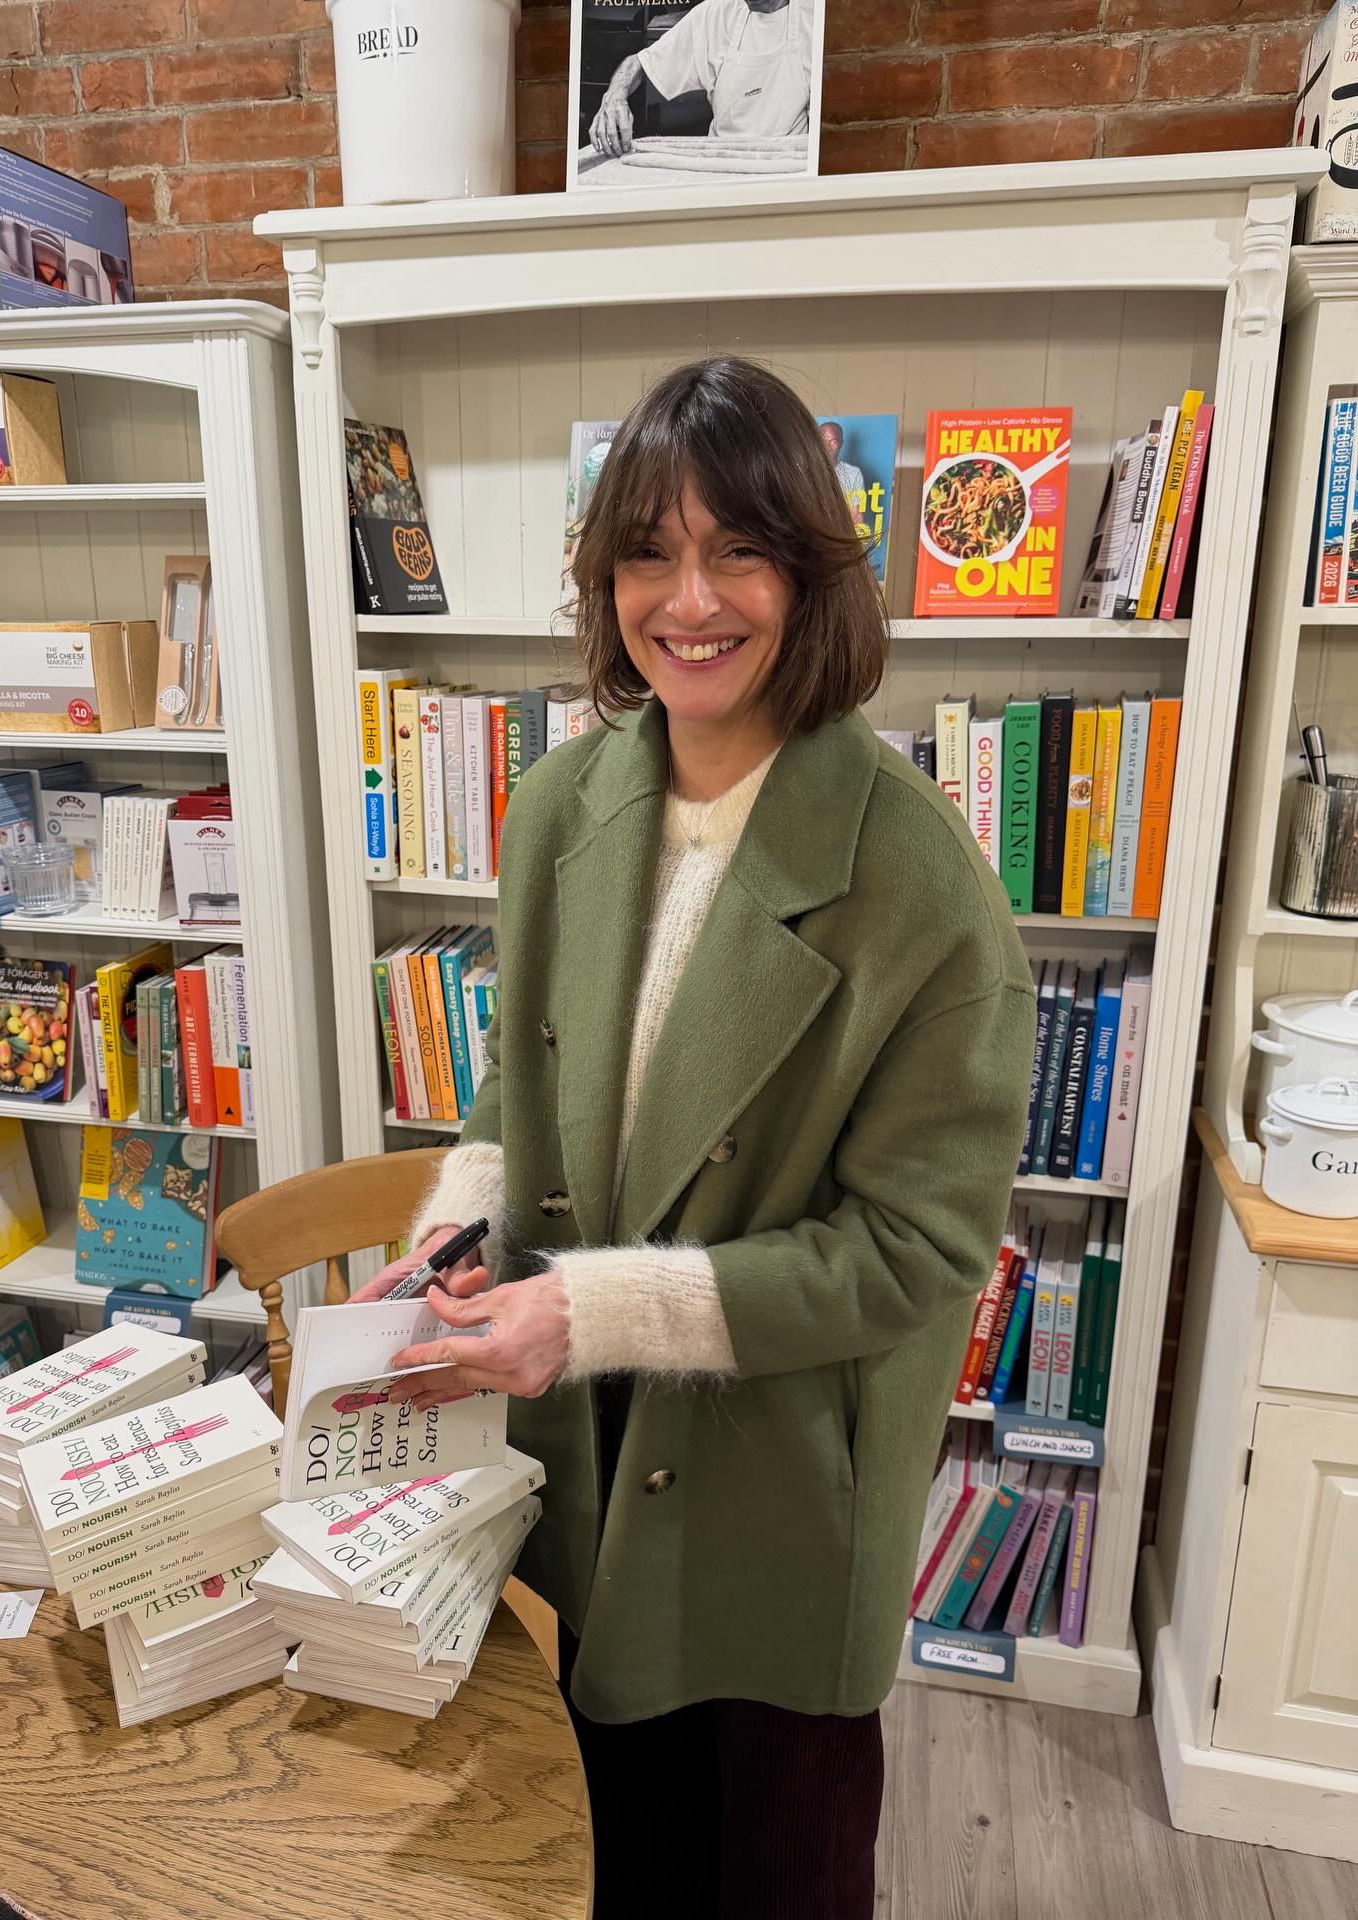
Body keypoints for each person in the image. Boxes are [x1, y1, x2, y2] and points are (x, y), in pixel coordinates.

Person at [352, 356, 1035, 1918]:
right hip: (573, 1474)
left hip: (778, 1497)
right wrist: (455, 1228)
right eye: (648, 553)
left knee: (773, 1873)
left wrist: (586, 1312)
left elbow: (915, 1251)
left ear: (811, 572)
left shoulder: (923, 883)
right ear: (605, 584)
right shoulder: (561, 807)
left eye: (740, 549)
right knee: (595, 1859)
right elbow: (512, 1090)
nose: (692, 598)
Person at [588, 0, 814, 159]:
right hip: (718, 164)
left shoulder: (815, 17)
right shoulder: (717, 13)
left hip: (785, 168)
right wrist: (615, 95)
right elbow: (638, 63)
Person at [819, 418, 867, 509]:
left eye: (833, 442)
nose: (827, 447)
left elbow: (856, 515)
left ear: (841, 444)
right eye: (823, 440)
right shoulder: (803, 471)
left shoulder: (853, 473)